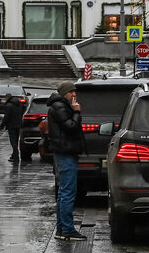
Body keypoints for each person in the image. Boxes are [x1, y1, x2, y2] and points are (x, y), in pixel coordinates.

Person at [46, 81, 86, 242]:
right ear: (64, 93)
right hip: (65, 153)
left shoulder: (58, 106)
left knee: (64, 193)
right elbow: (70, 127)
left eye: (75, 92)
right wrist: (77, 112)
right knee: (68, 192)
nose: (74, 94)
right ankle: (67, 229)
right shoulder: (60, 107)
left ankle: (62, 229)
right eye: (71, 92)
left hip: (64, 152)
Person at [0, 93, 24, 162]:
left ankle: (16, 156)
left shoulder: (8, 105)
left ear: (7, 97)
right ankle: (13, 155)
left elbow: (6, 117)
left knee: (13, 141)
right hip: (18, 125)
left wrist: (2, 126)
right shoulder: (18, 104)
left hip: (11, 126)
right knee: (16, 141)